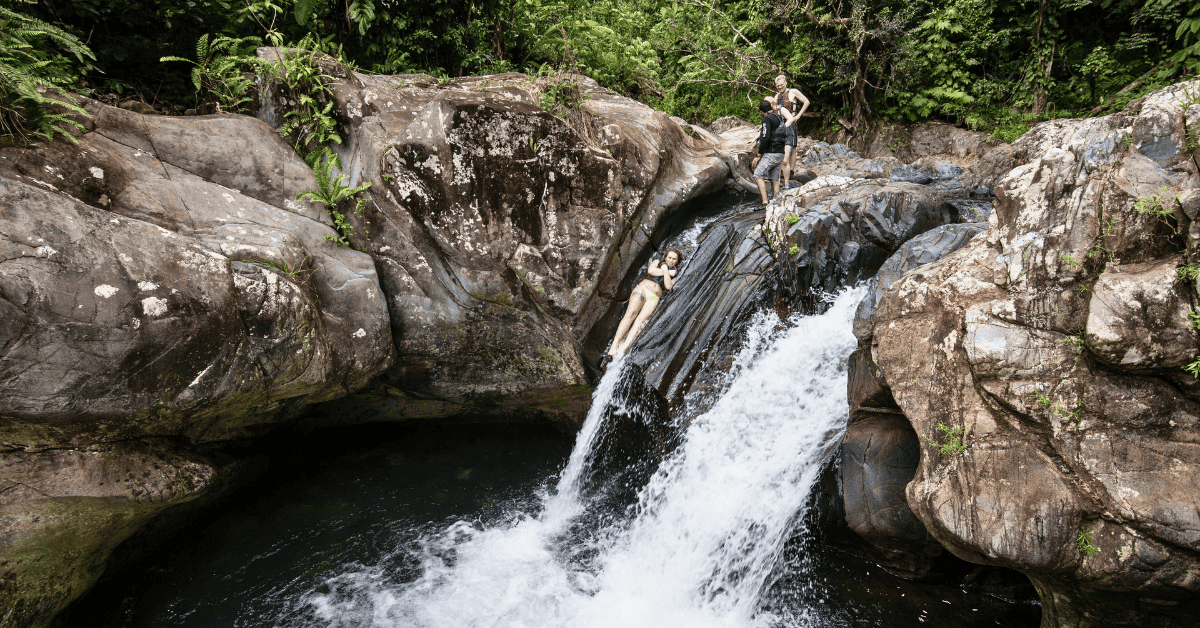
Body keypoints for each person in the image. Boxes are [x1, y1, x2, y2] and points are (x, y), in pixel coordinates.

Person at [602, 248, 684, 365]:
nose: (671, 260)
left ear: (677, 261)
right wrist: (666, 271)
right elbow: (651, 271)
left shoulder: (675, 273)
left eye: (674, 259)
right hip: (643, 289)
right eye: (669, 257)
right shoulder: (657, 262)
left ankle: (623, 348)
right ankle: (613, 347)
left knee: (640, 321)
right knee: (630, 314)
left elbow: (669, 286)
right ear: (665, 257)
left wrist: (666, 272)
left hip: (654, 297)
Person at [770, 75, 810, 185]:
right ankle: (783, 169)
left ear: (786, 83)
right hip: (780, 123)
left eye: (781, 85)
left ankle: (791, 171)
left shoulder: (793, 92)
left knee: (792, 147)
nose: (779, 87)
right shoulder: (776, 95)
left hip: (792, 122)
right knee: (782, 146)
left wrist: (798, 116)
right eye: (777, 86)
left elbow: (806, 102)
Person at [750, 100, 786, 205]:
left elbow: (765, 137)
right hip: (780, 153)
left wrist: (759, 155)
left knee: (757, 175)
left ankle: (765, 202)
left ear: (761, 111)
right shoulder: (778, 117)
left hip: (772, 152)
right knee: (774, 179)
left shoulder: (766, 119)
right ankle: (777, 203)